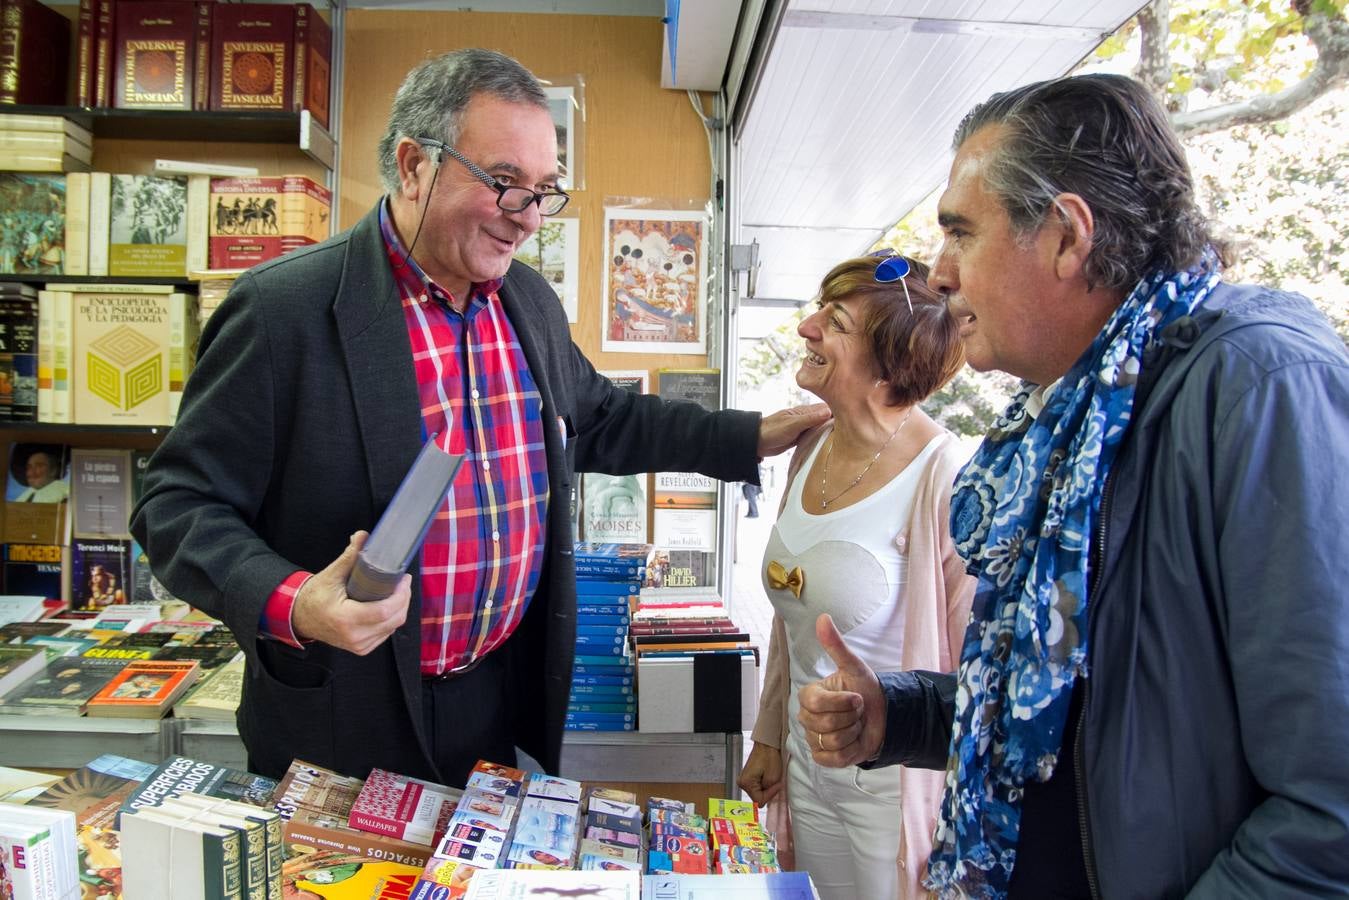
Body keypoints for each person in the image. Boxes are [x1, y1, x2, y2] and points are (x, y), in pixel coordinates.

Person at [130, 48, 826, 788]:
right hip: (341, 714)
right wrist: (294, 601)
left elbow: (597, 419)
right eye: (503, 184)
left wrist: (748, 435)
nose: (527, 219)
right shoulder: (283, 311)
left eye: (542, 191)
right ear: (411, 165)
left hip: (491, 704)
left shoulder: (527, 302)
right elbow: (176, 505)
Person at [796, 73, 1349, 898]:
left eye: (960, 233)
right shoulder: (1072, 414)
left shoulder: (1256, 386)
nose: (940, 273)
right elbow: (1082, 717)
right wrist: (902, 715)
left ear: (1064, 235)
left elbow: (1329, 806)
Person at [736, 254, 974, 899]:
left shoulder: (947, 478)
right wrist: (769, 739)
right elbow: (795, 622)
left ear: (890, 364)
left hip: (896, 781)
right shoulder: (809, 449)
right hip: (807, 763)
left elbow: (978, 672)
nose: (807, 327)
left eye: (835, 321)